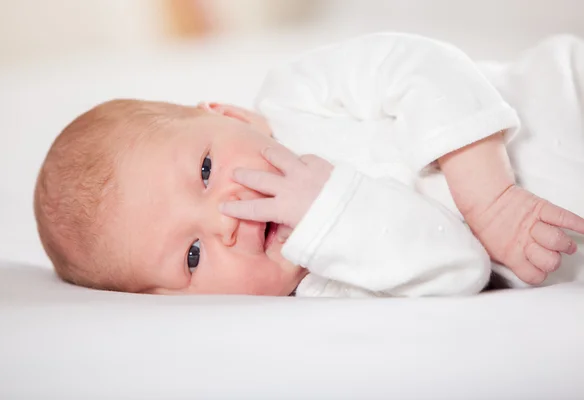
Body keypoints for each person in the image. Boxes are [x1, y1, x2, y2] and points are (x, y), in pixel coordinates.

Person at [34, 33, 584, 297]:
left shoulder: (295, 97)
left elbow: (420, 65)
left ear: (230, 115)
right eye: (193, 254)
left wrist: (490, 198)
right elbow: (459, 268)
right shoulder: (325, 284)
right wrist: (330, 214)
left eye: (204, 172)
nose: (225, 218)